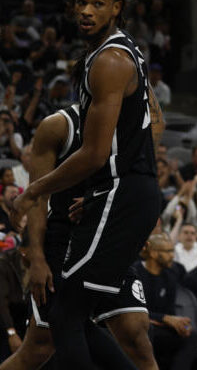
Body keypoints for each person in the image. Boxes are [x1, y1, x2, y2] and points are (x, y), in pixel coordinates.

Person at [13, 0, 164, 370]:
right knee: (69, 319)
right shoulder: (115, 54)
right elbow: (149, 126)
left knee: (67, 317)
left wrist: (34, 189)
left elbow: (97, 154)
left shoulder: (110, 61)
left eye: (97, 3)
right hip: (118, 195)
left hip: (124, 192)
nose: (86, 11)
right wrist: (98, 196)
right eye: (81, 2)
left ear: (116, 8)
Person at [4, 104, 158, 370]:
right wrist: (38, 259)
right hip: (65, 241)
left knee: (135, 334)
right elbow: (38, 198)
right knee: (41, 344)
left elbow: (137, 186)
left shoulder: (134, 124)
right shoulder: (57, 126)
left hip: (110, 239)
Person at [136, 233, 197, 370]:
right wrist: (166, 318)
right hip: (138, 329)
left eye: (172, 250)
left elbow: (169, 311)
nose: (172, 255)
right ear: (153, 253)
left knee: (192, 335)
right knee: (149, 332)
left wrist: (179, 324)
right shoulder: (136, 273)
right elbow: (135, 313)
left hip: (160, 327)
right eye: (167, 251)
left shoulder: (171, 274)